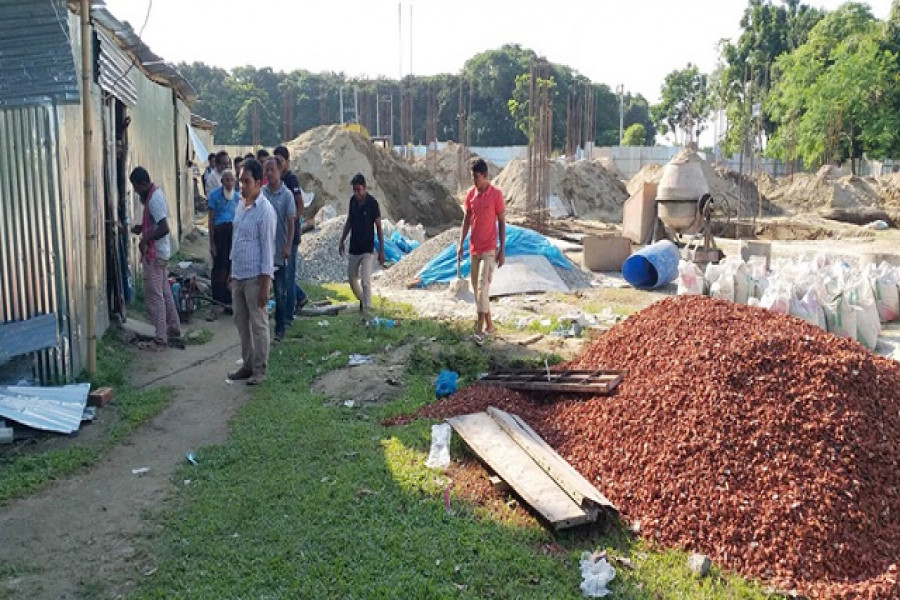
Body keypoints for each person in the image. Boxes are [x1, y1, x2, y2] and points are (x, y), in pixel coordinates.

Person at [228, 158, 276, 385]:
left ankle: (260, 369)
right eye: (241, 181)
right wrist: (231, 270)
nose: (242, 186)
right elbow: (236, 239)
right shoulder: (240, 205)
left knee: (258, 323)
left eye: (246, 182)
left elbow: (268, 250)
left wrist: (265, 285)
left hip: (256, 278)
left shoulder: (265, 212)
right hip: (238, 274)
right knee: (240, 321)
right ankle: (246, 364)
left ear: (258, 182)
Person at [129, 167, 181, 350]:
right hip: (160, 253)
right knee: (165, 292)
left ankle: (160, 339)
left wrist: (146, 238)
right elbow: (154, 224)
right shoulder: (153, 196)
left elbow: (164, 227)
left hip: (155, 254)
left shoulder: (154, 201)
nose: (136, 193)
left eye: (136, 188)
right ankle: (173, 328)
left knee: (154, 296)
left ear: (143, 184)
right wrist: (141, 229)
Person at [457, 158, 505, 344]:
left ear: (485, 176)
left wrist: (502, 250)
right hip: (474, 248)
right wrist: (460, 244)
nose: (474, 181)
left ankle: (479, 330)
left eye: (476, 177)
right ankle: (490, 325)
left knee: (482, 287)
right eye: (472, 177)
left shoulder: (496, 195)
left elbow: (501, 221)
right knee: (478, 290)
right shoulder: (470, 195)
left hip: (489, 249)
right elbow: (466, 220)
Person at [338, 173, 385, 314]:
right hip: (354, 247)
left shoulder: (372, 203)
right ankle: (363, 301)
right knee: (352, 280)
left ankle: (367, 310)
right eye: (354, 190)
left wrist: (382, 250)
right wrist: (342, 239)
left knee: (365, 281)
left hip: (367, 250)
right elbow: (349, 221)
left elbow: (379, 227)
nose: (357, 193)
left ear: (365, 188)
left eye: (359, 190)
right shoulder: (352, 201)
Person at [262, 157, 296, 343]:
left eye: (271, 170)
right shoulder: (262, 194)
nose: (269, 173)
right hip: (264, 253)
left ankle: (280, 329)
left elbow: (291, 223)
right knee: (263, 294)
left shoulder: (287, 195)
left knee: (281, 292)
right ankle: (262, 330)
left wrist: (288, 246)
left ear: (279, 171)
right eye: (266, 170)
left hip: (280, 252)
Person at [273, 145, 308, 317]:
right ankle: (298, 298)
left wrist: (292, 223)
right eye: (275, 160)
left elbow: (300, 205)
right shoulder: (274, 180)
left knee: (288, 276)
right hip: (277, 235)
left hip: (290, 235)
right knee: (281, 275)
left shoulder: (291, 179)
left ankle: (289, 315)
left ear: (287, 162)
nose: (277, 164)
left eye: (280, 161)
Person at [207, 168, 239, 319]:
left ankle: (229, 302)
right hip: (219, 236)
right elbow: (211, 221)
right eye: (227, 180)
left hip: (232, 236)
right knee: (218, 268)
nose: (229, 183)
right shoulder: (214, 196)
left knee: (230, 267)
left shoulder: (238, 198)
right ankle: (217, 301)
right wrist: (212, 243)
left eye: (232, 180)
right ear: (222, 181)